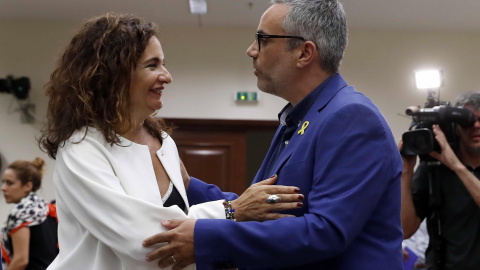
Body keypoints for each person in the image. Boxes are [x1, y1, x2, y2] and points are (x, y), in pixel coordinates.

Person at [142, 0, 404, 269]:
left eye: (263, 39)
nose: (251, 50)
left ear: (304, 53)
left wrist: (206, 237)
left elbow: (325, 231)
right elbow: (264, 209)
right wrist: (186, 185)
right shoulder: (297, 119)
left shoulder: (352, 117)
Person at [37, 13, 302, 270]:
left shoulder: (163, 142)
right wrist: (232, 211)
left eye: (163, 63)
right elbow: (148, 245)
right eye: (152, 65)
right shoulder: (81, 149)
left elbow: (182, 246)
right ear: (113, 75)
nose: (167, 76)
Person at [400, 91, 480, 270]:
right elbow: (405, 229)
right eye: (468, 120)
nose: (476, 126)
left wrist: (457, 166)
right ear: (456, 127)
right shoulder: (434, 167)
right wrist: (406, 171)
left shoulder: (450, 166)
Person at [1, 157, 58, 270]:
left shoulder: (21, 213)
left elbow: (21, 260)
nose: (3, 188)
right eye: (3, 182)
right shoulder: (48, 211)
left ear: (28, 186)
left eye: (9, 183)